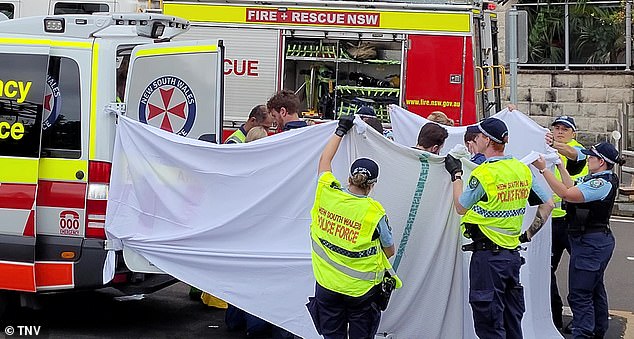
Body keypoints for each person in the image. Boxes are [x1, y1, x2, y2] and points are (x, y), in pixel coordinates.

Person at [444, 117, 553, 339]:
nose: (475, 139)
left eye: (477, 136)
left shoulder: (484, 174)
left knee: (489, 323)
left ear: (486, 140)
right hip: (512, 256)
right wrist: (528, 234)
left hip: (487, 259)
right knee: (511, 319)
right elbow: (548, 204)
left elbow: (460, 207)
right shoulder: (521, 169)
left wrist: (456, 175)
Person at [306, 115, 402, 339]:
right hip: (361, 292)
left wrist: (341, 130)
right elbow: (390, 250)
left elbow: (324, 160)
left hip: (327, 287)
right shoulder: (374, 212)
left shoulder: (327, 193)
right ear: (372, 185)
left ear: (349, 177)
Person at [532, 142, 624, 339]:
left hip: (591, 243)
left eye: (591, 157)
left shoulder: (600, 183)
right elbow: (571, 185)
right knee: (595, 288)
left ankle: (583, 334)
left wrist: (543, 171)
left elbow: (567, 194)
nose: (587, 159)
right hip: (592, 241)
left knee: (580, 294)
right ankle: (598, 330)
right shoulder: (597, 178)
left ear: (601, 162)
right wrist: (559, 166)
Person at [545, 115, 589, 330]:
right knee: (547, 270)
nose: (560, 131)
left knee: (582, 271)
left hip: (572, 221)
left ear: (573, 133)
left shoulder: (577, 149)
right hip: (550, 221)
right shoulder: (544, 146)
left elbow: (575, 155)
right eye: (557, 128)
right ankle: (553, 317)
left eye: (565, 129)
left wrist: (556, 146)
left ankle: (582, 321)